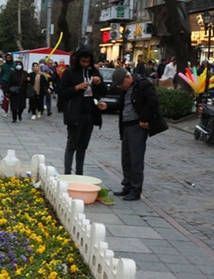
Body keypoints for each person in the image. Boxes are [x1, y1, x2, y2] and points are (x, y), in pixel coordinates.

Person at [108, 66, 164, 200]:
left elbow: (153, 101)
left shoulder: (143, 85)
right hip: (126, 126)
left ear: (128, 77)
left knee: (136, 159)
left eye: (122, 84)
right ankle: (127, 185)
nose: (121, 87)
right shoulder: (126, 89)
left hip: (137, 126)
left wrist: (143, 119)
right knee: (126, 158)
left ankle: (135, 189)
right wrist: (107, 106)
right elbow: (122, 104)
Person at [57, 47, 105, 176]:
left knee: (82, 146)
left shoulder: (94, 72)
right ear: (78, 60)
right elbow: (61, 92)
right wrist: (76, 88)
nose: (85, 64)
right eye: (83, 61)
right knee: (72, 144)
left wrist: (99, 83)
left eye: (88, 61)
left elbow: (102, 92)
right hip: (74, 114)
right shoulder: (70, 72)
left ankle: (79, 173)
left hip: (89, 113)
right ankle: (67, 173)